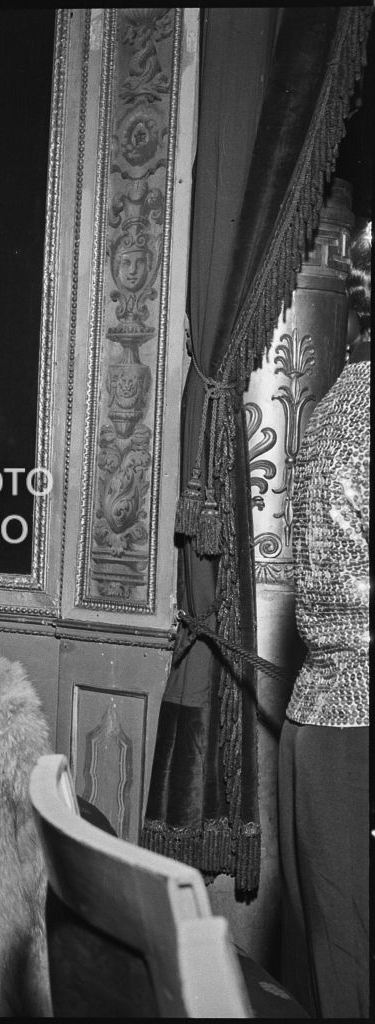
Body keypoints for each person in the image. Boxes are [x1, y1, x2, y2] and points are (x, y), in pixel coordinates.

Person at [278, 221, 370, 1019]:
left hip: (329, 720)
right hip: (354, 727)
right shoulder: (357, 415)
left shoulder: (343, 401)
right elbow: (345, 595)